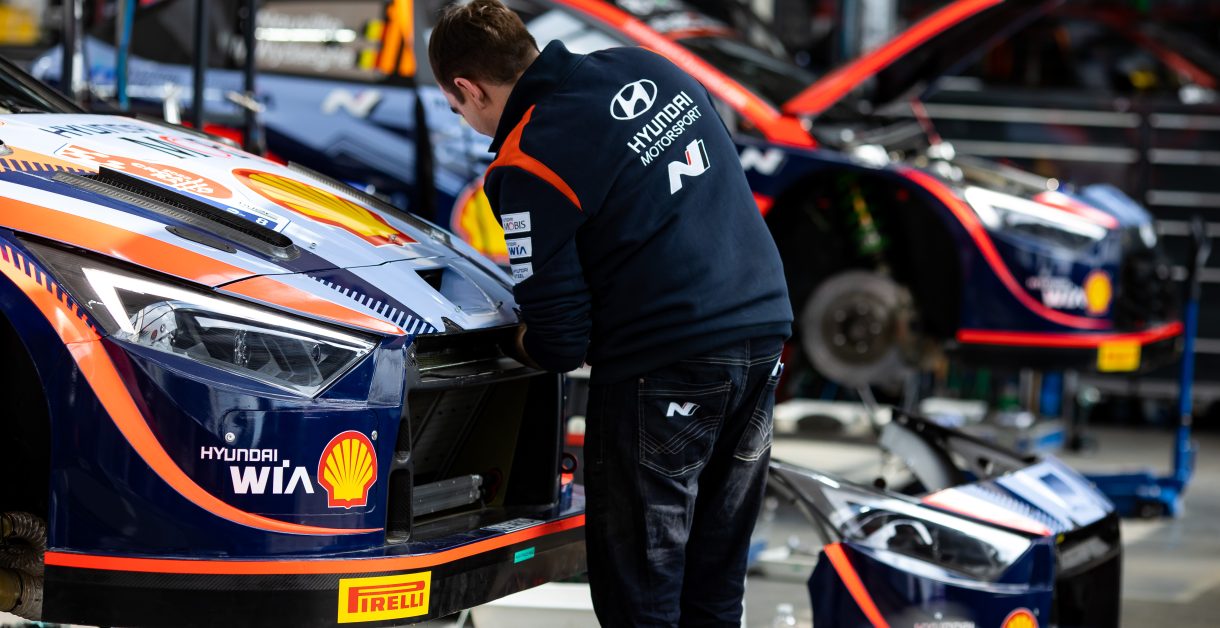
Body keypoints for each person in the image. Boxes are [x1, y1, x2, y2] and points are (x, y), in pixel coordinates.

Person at [428, 1, 792, 624]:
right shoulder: (649, 68)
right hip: (762, 338)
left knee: (643, 592)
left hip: (666, 364)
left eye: (457, 107)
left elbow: (560, 339)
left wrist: (504, 344)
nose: (466, 120)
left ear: (469, 88)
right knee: (713, 580)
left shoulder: (528, 160)